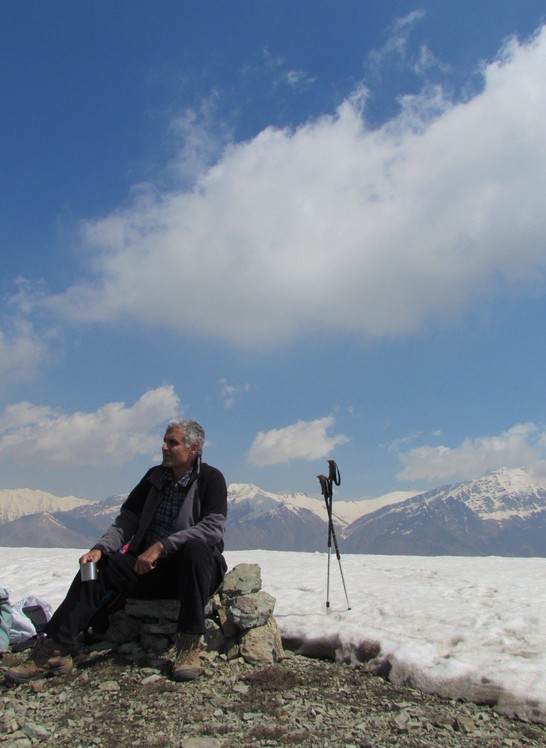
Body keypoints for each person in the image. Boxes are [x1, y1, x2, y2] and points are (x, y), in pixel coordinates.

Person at [5, 418, 227, 683]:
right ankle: (54, 649)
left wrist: (163, 546)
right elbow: (126, 521)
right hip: (147, 569)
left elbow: (212, 528)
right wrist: (100, 548)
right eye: (165, 441)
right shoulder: (154, 478)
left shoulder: (210, 479)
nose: (164, 447)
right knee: (94, 568)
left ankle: (188, 645)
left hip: (191, 573)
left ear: (194, 449)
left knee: (195, 549)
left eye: (172, 442)